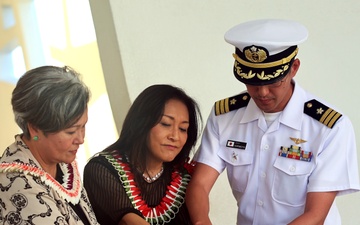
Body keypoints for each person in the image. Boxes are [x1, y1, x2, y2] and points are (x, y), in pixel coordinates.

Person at [186, 19, 360, 225]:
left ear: (294, 68)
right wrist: (200, 221)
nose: (262, 93)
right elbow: (199, 185)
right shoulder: (224, 116)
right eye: (252, 82)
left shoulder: (329, 127)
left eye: (273, 82)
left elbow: (315, 215)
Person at [83, 84, 202, 225]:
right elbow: (129, 222)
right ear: (142, 122)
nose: (175, 136)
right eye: (165, 124)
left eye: (183, 128)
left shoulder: (185, 178)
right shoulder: (101, 169)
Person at [0, 65, 100, 225]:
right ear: (34, 128)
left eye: (83, 126)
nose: (81, 139)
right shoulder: (16, 183)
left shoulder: (63, 164)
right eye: (71, 131)